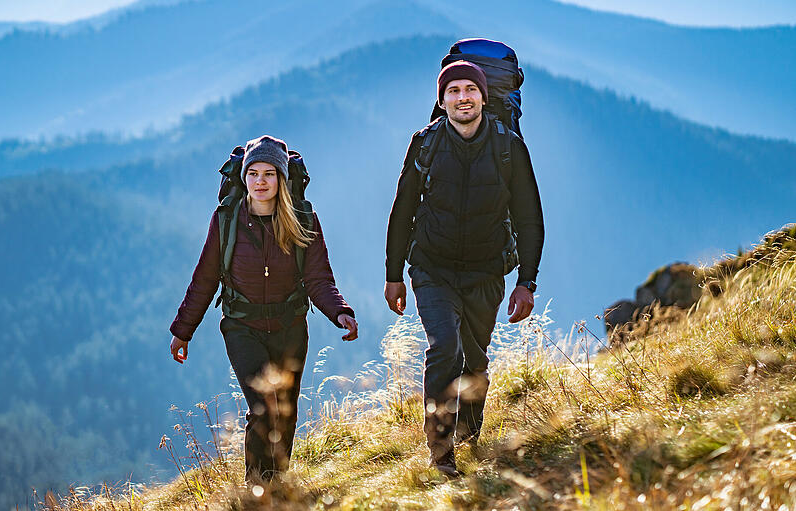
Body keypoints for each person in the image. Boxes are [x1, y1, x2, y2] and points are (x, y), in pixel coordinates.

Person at [384, 61, 544, 476]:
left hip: (486, 272)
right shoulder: (425, 144)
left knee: (475, 362)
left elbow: (529, 216)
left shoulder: (509, 147)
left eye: (469, 89)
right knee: (445, 349)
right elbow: (402, 210)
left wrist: (527, 280)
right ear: (442, 101)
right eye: (453, 91)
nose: (462, 97)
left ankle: (470, 438)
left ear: (483, 96)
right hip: (431, 269)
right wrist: (393, 273)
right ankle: (440, 452)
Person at [169, 135, 358, 482]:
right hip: (243, 327)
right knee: (262, 406)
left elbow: (318, 277)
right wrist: (183, 330)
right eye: (253, 173)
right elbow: (205, 277)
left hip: (290, 327)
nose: (260, 181)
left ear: (282, 178)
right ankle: (256, 487)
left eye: (269, 173)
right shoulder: (227, 220)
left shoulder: (303, 219)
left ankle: (277, 483)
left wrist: (339, 311)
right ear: (243, 177)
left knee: (284, 411)